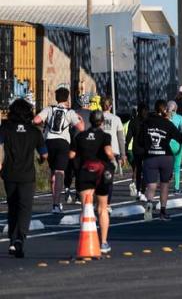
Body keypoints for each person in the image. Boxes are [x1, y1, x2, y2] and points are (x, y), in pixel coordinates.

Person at [1, 99, 47, 258]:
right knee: (25, 208)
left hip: (9, 173)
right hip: (27, 175)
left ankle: (13, 241)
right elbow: (44, 154)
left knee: (12, 206)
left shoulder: (5, 128)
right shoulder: (35, 131)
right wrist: (41, 160)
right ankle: (20, 238)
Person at [70, 110, 115, 253]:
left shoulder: (80, 136)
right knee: (102, 208)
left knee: (85, 207)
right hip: (100, 174)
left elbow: (71, 155)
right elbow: (108, 151)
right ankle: (103, 242)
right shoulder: (105, 136)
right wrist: (113, 159)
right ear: (102, 122)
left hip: (84, 173)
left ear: (89, 120)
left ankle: (86, 238)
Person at [33, 85, 84, 214]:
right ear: (67, 98)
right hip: (63, 144)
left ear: (56, 98)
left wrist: (45, 124)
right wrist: (80, 119)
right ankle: (57, 204)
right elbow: (81, 128)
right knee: (60, 172)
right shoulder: (70, 112)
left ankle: (54, 202)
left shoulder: (49, 109)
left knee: (53, 172)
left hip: (49, 141)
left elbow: (36, 120)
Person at [138, 100, 182, 221]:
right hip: (166, 157)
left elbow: (140, 141)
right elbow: (180, 138)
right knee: (165, 185)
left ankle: (148, 207)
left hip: (150, 157)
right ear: (165, 110)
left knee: (151, 185)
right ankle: (163, 212)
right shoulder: (167, 123)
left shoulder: (146, 122)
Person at [100, 96, 126, 206]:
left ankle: (99, 202)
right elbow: (121, 138)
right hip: (112, 151)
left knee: (99, 178)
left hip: (99, 151)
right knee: (109, 179)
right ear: (111, 106)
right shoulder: (116, 119)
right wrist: (123, 155)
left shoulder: (97, 117)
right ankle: (107, 203)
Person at [166, 100, 182, 194]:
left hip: (166, 144)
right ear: (176, 108)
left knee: (165, 166)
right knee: (177, 167)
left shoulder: (164, 117)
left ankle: (165, 184)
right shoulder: (180, 118)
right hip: (177, 144)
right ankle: (176, 188)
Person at [126, 103, 148, 200]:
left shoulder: (133, 122)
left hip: (136, 148)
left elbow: (128, 138)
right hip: (146, 148)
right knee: (146, 170)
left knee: (139, 170)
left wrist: (125, 149)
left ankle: (139, 190)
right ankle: (143, 190)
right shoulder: (148, 121)